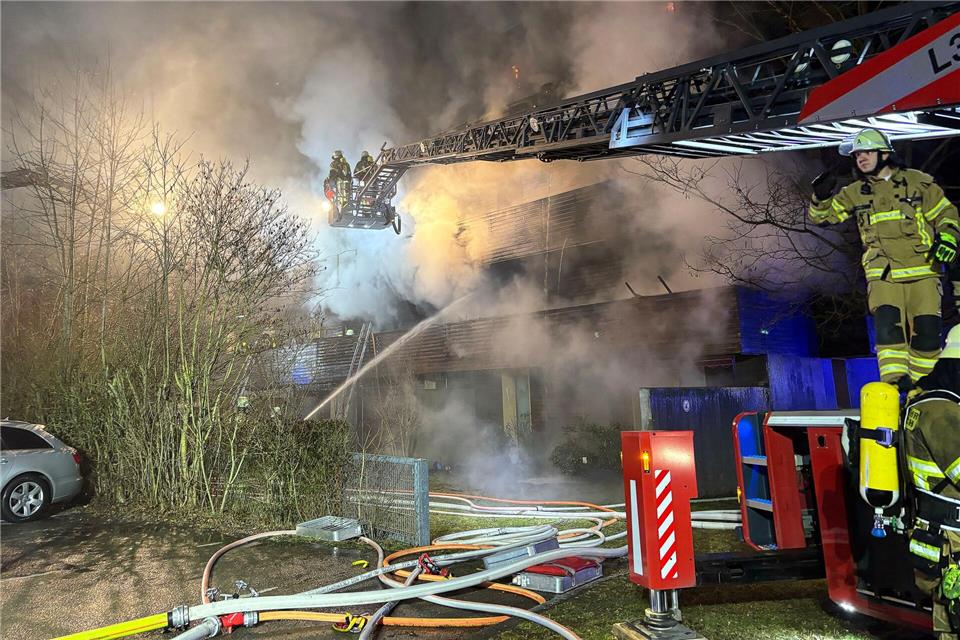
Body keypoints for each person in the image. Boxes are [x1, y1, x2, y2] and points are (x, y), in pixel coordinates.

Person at [810, 128, 959, 390]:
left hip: (923, 271)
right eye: (857, 155)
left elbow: (946, 213)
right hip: (883, 275)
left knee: (926, 336)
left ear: (885, 154)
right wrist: (820, 198)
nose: (861, 159)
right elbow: (823, 217)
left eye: (866, 152)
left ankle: (924, 387)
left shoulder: (918, 183)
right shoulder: (855, 192)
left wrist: (948, 239)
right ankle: (893, 387)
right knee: (888, 332)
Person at [903, 324, 960, 639]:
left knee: (949, 619)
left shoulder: (931, 404)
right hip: (953, 538)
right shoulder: (941, 413)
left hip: (942, 536)